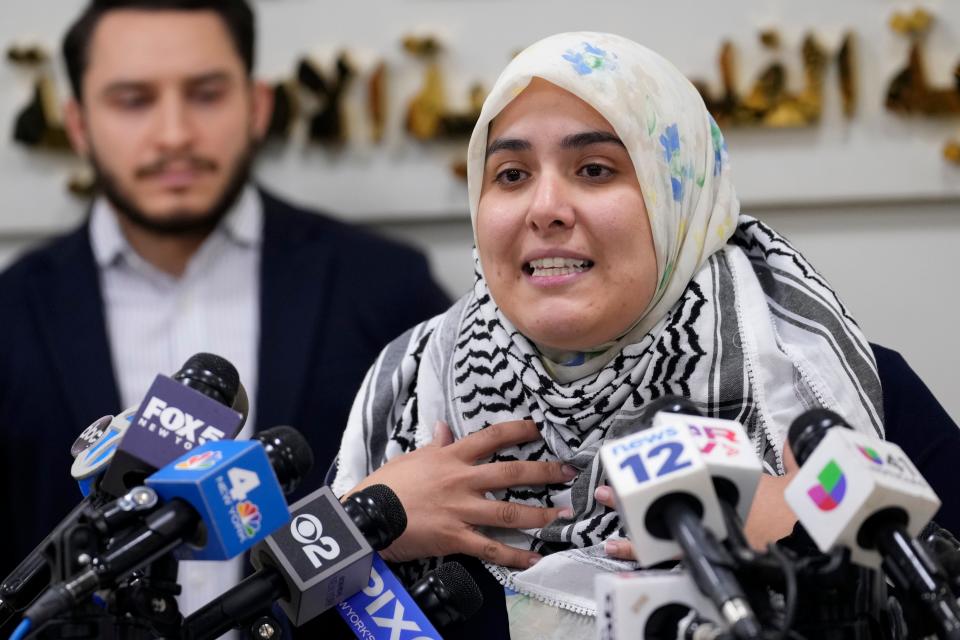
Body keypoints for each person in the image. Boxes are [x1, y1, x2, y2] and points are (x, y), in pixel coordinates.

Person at [330, 32, 960, 638]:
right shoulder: (411, 407)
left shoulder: (831, 397)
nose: (544, 207)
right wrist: (366, 521)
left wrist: (805, 539)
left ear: (678, 197)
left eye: (596, 169)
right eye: (512, 175)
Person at [0, 0, 450, 619]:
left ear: (257, 107)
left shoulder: (385, 289)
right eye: (133, 99)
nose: (175, 133)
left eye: (206, 94)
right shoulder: (12, 315)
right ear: (78, 125)